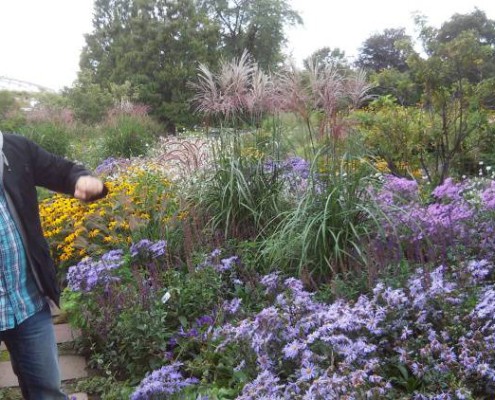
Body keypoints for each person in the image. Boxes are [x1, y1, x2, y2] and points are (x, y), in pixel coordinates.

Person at [0, 131, 107, 399]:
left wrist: (82, 179)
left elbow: (61, 170)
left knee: (47, 392)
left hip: (27, 302)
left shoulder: (13, 148)